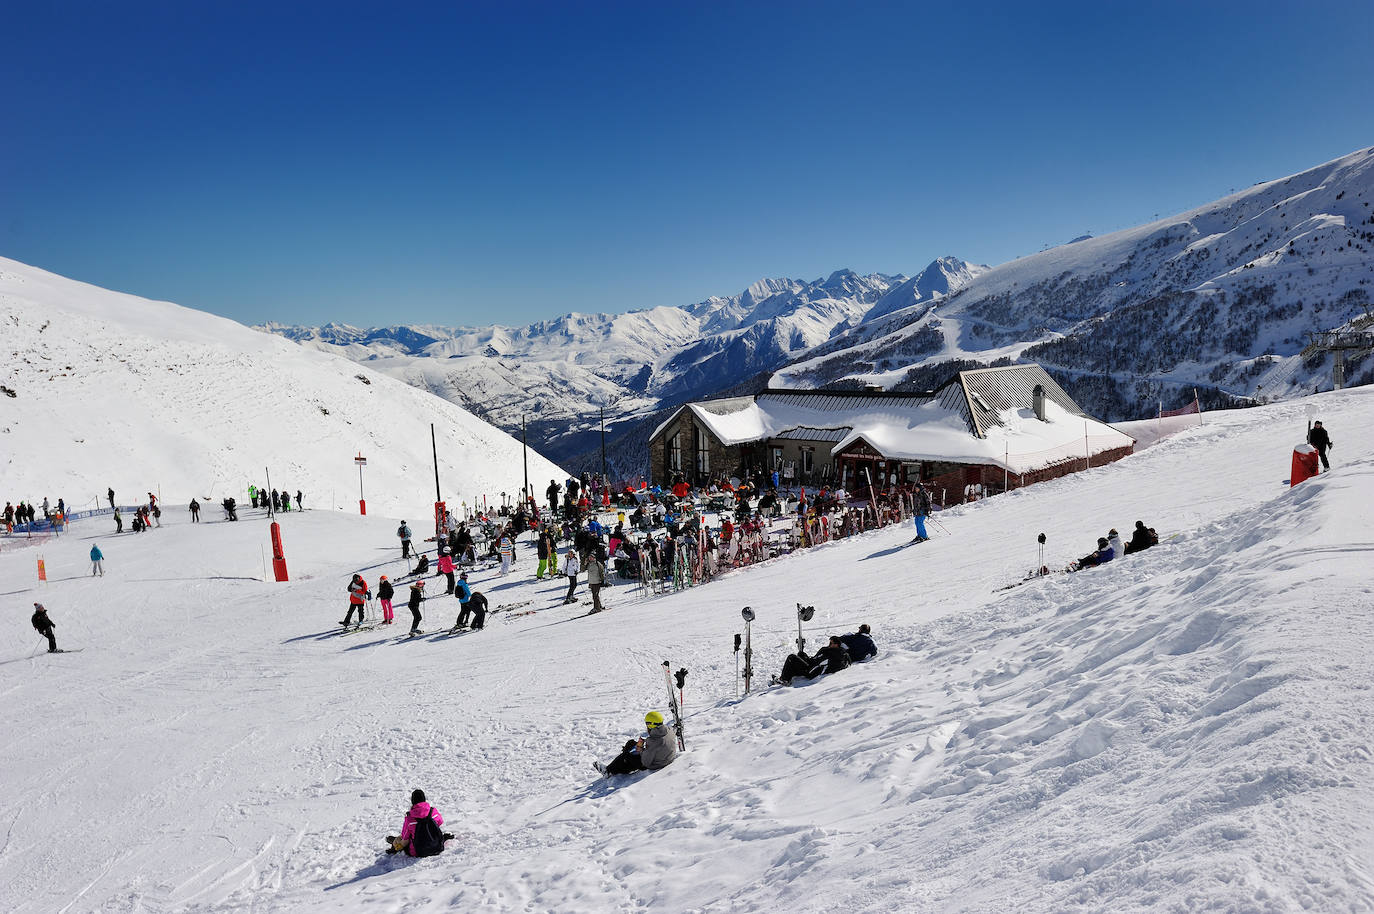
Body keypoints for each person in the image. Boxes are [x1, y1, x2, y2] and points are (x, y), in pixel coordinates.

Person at [595, 711, 678, 777]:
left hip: (657, 764)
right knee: (631, 743)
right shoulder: (669, 729)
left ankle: (608, 771)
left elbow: (646, 762)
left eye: (647, 723)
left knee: (627, 756)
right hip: (667, 757)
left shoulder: (653, 740)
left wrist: (640, 749)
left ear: (650, 724)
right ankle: (621, 762)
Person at [385, 789, 453, 857]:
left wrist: (397, 845)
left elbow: (405, 838)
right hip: (437, 847)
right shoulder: (433, 811)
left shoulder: (410, 818)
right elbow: (440, 822)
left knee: (403, 839)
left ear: (412, 801)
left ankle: (394, 842)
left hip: (418, 851)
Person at [773, 636, 851, 686]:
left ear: (836, 645)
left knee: (792, 657)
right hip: (812, 665)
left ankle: (784, 680)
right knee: (801, 654)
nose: (829, 644)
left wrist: (808, 666)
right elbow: (817, 659)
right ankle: (788, 676)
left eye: (831, 643)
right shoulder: (830, 651)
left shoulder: (834, 654)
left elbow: (819, 665)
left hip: (811, 671)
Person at [585, 546, 607, 613]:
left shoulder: (598, 564)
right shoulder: (589, 564)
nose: (590, 558)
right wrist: (585, 563)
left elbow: (602, 572)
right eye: (589, 557)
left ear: (594, 558)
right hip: (591, 582)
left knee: (595, 595)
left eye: (591, 557)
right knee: (595, 595)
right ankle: (599, 606)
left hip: (597, 581)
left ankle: (596, 608)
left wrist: (602, 580)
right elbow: (582, 569)